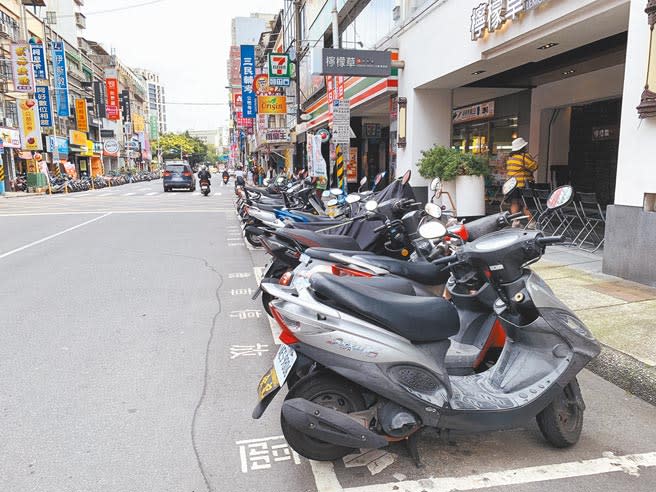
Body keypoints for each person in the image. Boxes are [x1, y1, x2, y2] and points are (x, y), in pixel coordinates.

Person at [506, 137, 538, 221]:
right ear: (523, 147)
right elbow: (534, 167)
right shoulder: (525, 156)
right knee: (526, 204)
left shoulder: (511, 158)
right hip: (523, 184)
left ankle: (515, 222)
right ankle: (532, 222)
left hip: (512, 185)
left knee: (514, 203)